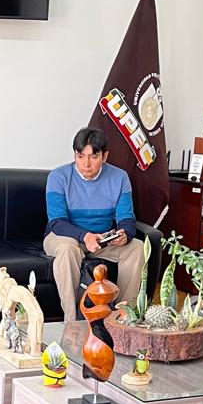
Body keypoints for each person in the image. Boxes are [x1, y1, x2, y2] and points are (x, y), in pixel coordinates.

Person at [43, 127, 145, 318]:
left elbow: (126, 217)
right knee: (68, 250)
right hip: (65, 236)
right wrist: (85, 236)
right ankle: (71, 320)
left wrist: (125, 233)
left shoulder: (120, 178)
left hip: (101, 239)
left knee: (137, 247)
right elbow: (57, 222)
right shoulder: (58, 177)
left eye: (93, 157)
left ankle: (123, 317)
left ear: (105, 156)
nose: (86, 164)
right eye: (80, 156)